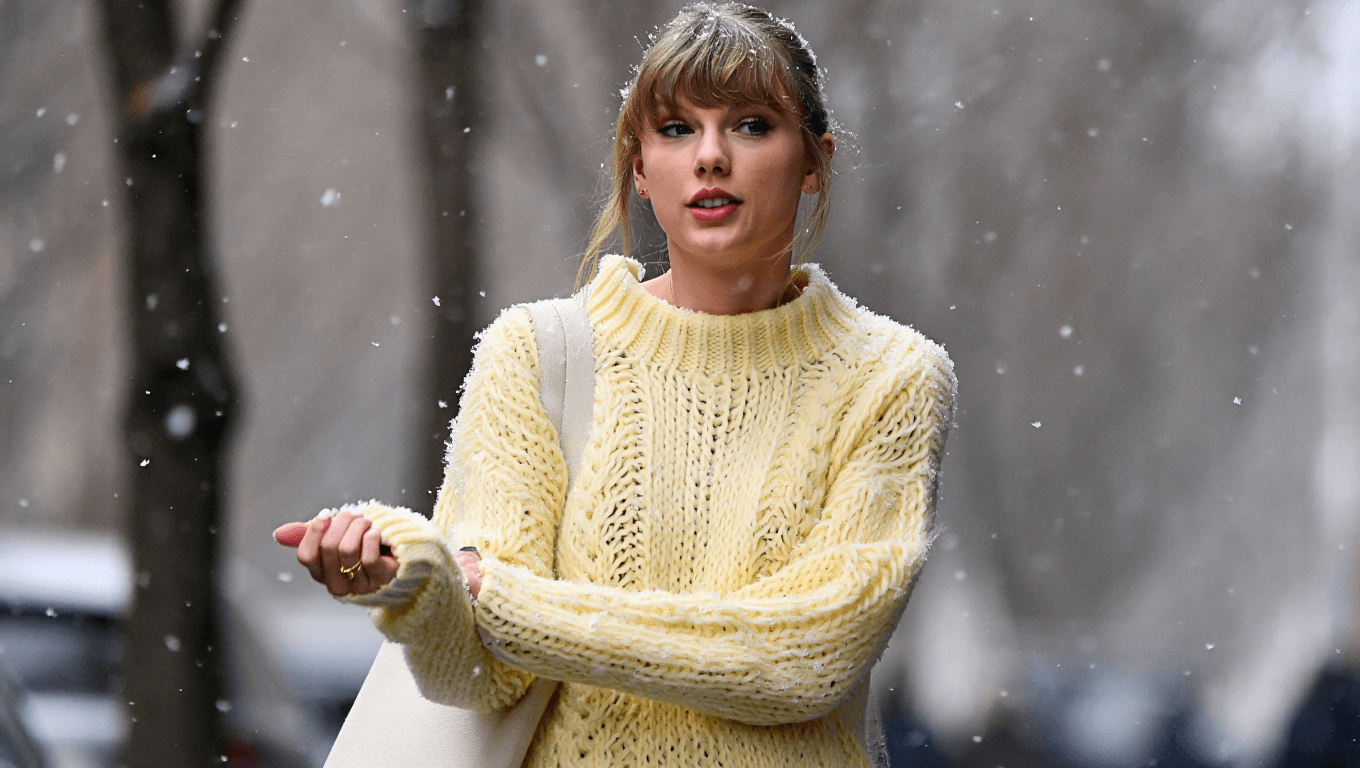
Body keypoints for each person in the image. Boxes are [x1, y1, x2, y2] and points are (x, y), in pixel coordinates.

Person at [276, 3, 955, 766]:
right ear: (639, 166)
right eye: (676, 128)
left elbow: (806, 661)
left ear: (814, 163)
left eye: (752, 125)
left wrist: (498, 597)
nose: (710, 157)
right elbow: (478, 678)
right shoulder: (538, 355)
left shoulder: (892, 378)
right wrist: (421, 585)